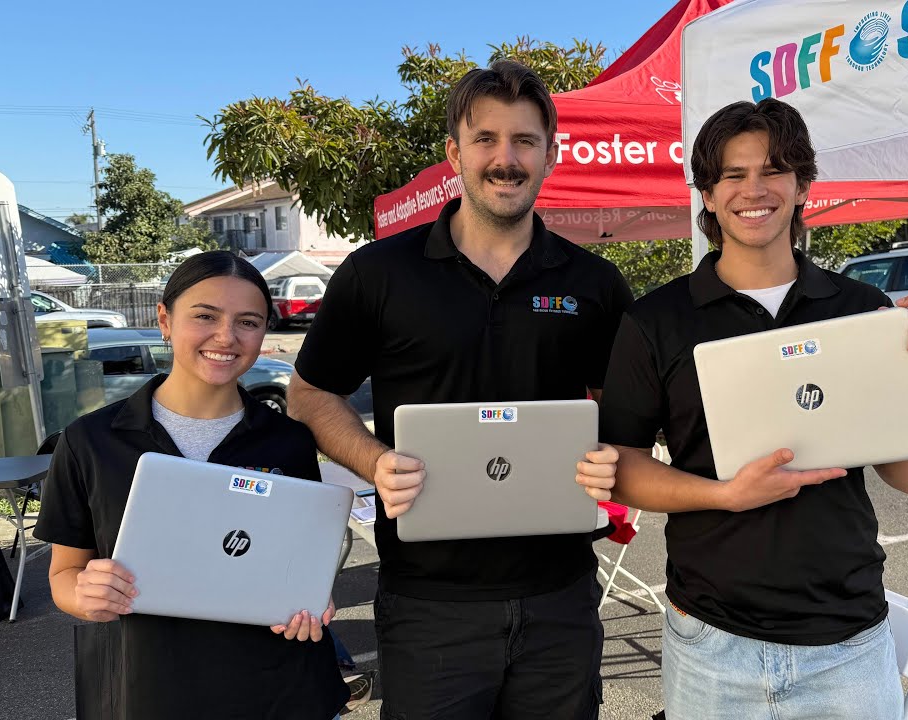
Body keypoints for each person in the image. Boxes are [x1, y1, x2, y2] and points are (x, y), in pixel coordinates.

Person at [288, 59, 633, 719]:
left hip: (559, 598)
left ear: (550, 155)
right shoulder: (378, 273)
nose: (506, 159)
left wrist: (613, 454)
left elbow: (629, 408)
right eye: (486, 140)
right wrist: (372, 461)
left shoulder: (594, 284)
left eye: (525, 141)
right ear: (454, 153)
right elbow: (310, 395)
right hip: (428, 607)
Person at [598, 99, 908, 720]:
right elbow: (621, 466)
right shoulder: (655, 320)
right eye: (732, 175)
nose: (753, 190)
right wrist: (725, 495)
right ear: (706, 195)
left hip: (847, 638)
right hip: (711, 635)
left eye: (773, 170)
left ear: (801, 185)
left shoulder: (861, 310)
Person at [35, 251, 349, 720]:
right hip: (148, 686)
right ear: (164, 319)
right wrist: (86, 595)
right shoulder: (92, 442)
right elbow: (64, 574)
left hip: (277, 689)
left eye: (248, 321)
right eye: (205, 316)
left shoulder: (288, 441)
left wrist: (312, 598)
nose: (226, 337)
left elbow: (299, 559)